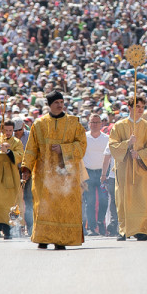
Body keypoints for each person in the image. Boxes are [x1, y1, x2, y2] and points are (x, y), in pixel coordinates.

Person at [21, 91, 87, 249]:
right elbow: (31, 148)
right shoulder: (39, 124)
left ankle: (61, 240)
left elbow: (82, 145)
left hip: (66, 176)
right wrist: (26, 167)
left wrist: (64, 149)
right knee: (44, 206)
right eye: (56, 102)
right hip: (44, 175)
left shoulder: (73, 122)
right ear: (49, 105)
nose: (60, 105)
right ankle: (43, 238)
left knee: (63, 208)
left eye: (61, 102)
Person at [107, 95, 147, 241]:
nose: (140, 110)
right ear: (130, 107)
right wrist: (127, 143)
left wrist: (139, 154)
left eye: (142, 107)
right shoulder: (119, 126)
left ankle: (141, 230)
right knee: (123, 199)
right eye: (137, 106)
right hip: (124, 169)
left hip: (141, 169)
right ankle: (124, 230)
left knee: (142, 198)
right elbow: (112, 146)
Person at [82, 112, 112, 237]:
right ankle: (92, 227)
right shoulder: (83, 137)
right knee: (90, 201)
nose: (94, 125)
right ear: (89, 124)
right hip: (88, 172)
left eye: (97, 122)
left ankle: (101, 222)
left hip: (102, 173)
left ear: (101, 124)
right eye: (92, 122)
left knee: (104, 199)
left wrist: (106, 173)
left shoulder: (106, 138)